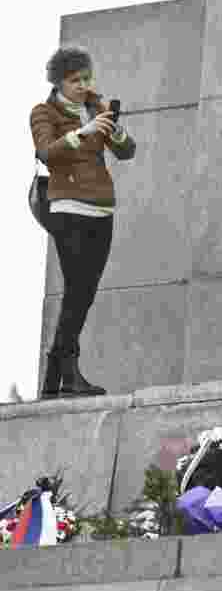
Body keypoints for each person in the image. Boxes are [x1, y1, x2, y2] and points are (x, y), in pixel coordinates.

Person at [30, 47, 137, 398]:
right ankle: (61, 370)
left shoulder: (96, 106)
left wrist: (113, 129)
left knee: (85, 294)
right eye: (75, 81)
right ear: (59, 82)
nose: (82, 86)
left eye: (86, 79)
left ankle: (61, 373)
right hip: (67, 208)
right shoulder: (44, 112)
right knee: (76, 291)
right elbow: (46, 152)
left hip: (101, 210)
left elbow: (126, 151)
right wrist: (84, 130)